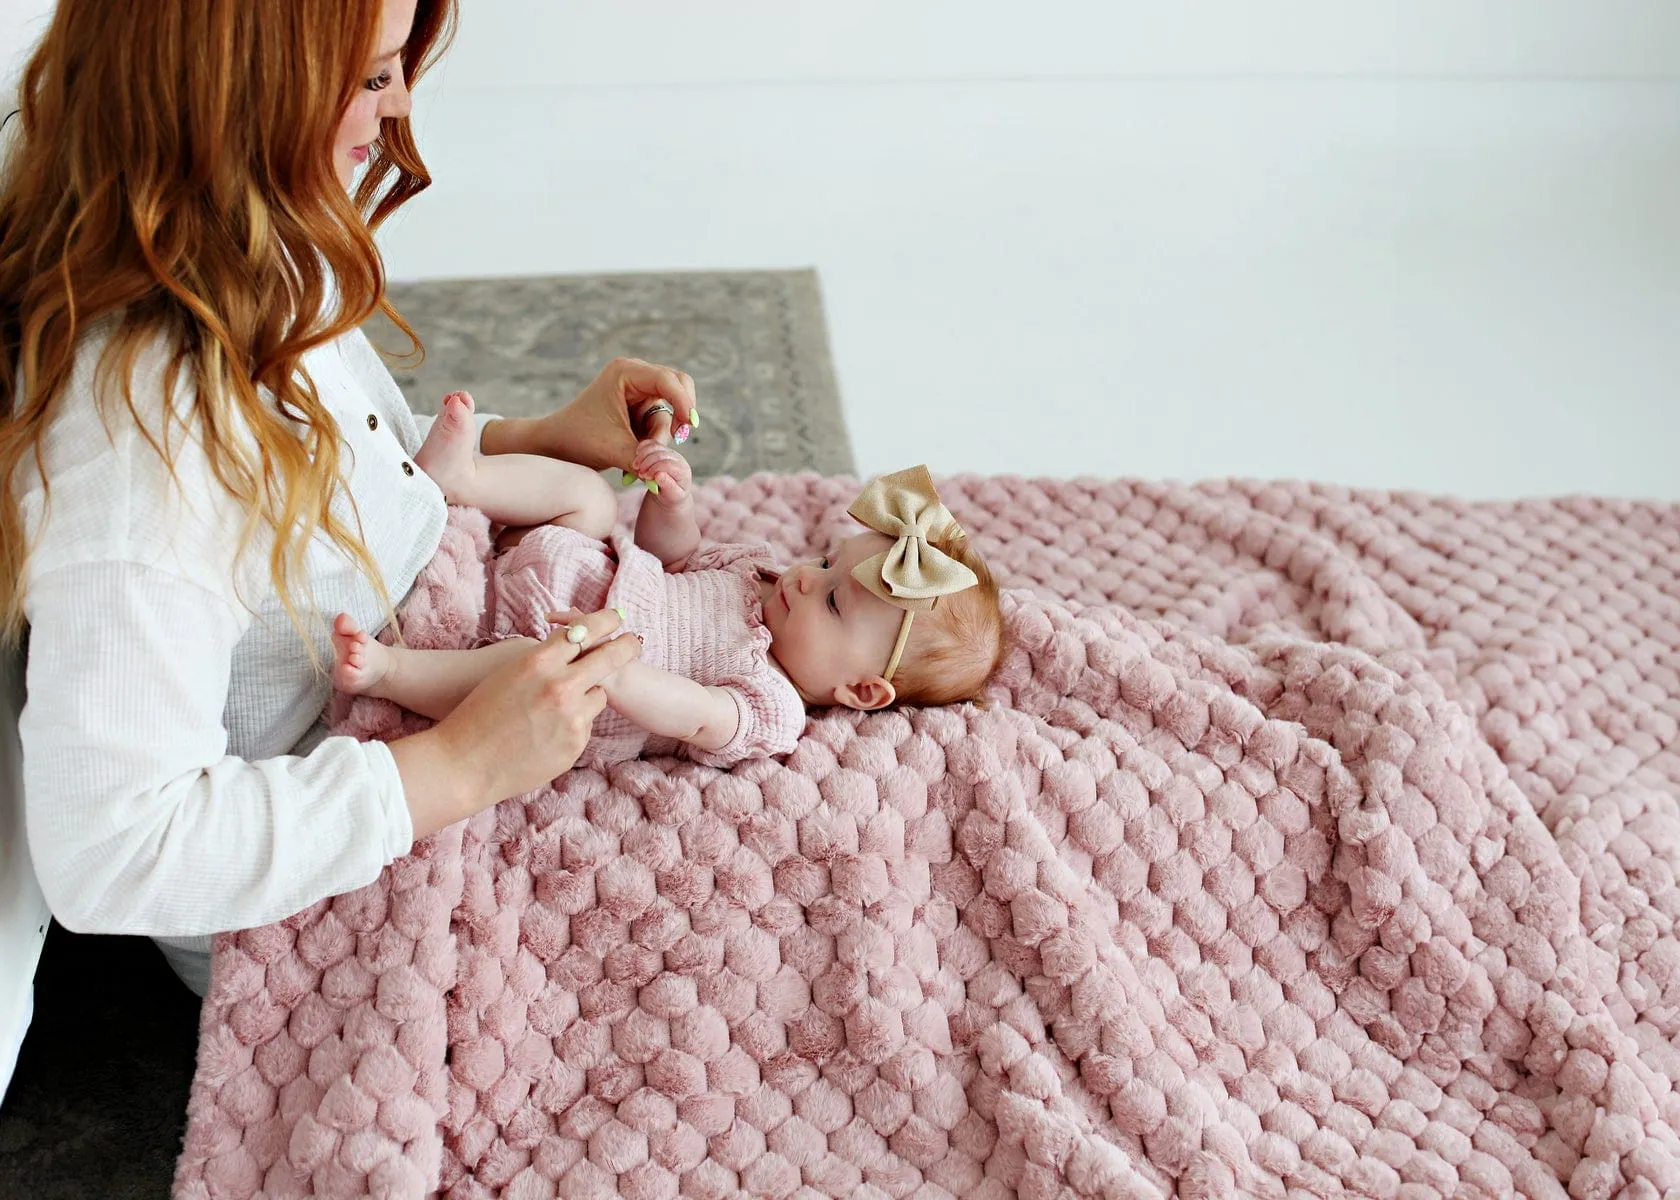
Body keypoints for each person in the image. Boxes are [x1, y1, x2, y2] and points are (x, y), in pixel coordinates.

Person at [0, 0, 703, 996]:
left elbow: (324, 473)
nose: (403, 102)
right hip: (331, 882)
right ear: (241, 95)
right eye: (374, 77)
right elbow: (114, 854)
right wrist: (460, 765)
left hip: (427, 684)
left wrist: (530, 439)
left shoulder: (239, 244)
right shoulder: (144, 454)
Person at [332, 424, 1009, 767]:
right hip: (575, 564)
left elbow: (697, 715)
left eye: (831, 601)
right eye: (827, 560)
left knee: (525, 670)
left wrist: (621, 673)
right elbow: (673, 556)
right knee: (590, 497)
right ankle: (466, 477)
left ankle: (396, 672)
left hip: (563, 651)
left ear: (861, 689)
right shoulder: (762, 576)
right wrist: (670, 501)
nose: (806, 575)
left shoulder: (772, 705)